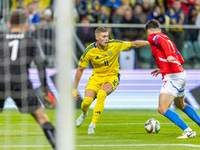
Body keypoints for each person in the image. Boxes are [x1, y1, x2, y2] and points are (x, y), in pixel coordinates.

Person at [73, 27, 150, 134]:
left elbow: (134, 44)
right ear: (97, 37)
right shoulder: (89, 51)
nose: (106, 39)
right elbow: (80, 69)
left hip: (112, 77)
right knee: (86, 102)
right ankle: (84, 114)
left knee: (101, 94)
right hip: (96, 78)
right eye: (104, 37)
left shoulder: (115, 44)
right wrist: (74, 89)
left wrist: (151, 42)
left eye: (107, 36)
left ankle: (92, 126)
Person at [0, 9, 56, 148]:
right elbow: (40, 66)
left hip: (1, 82)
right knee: (42, 118)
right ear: (26, 25)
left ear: (8, 24)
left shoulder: (1, 40)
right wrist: (44, 89)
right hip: (21, 84)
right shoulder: (30, 41)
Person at [145, 19, 200, 138]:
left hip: (173, 77)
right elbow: (181, 60)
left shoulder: (153, 37)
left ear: (149, 31)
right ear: (160, 29)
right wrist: (163, 68)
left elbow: (161, 41)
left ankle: (188, 130)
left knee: (162, 108)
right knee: (181, 105)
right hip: (180, 74)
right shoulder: (168, 39)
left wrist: (169, 55)